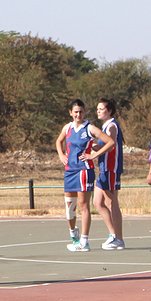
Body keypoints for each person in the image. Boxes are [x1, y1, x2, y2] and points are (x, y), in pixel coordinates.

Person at [54, 100, 103, 251]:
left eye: (81, 111)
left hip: (84, 170)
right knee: (70, 207)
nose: (78, 114)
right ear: (71, 113)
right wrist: (61, 154)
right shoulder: (67, 128)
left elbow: (110, 142)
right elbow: (59, 141)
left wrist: (93, 155)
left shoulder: (90, 128)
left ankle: (84, 241)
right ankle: (73, 234)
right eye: (75, 112)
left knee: (83, 206)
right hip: (70, 170)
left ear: (84, 112)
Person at [86, 98, 126, 248]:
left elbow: (110, 146)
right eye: (97, 109)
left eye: (101, 109)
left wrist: (94, 154)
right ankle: (112, 234)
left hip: (111, 168)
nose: (99, 111)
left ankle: (119, 238)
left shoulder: (112, 126)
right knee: (97, 202)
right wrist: (91, 147)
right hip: (103, 168)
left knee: (111, 202)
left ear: (109, 111)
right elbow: (103, 146)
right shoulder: (104, 127)